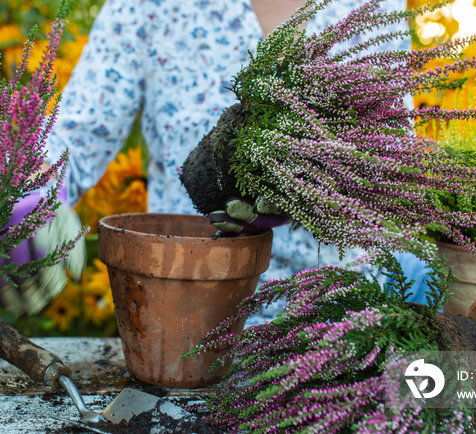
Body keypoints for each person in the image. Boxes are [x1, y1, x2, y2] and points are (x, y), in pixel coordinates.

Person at [43, 0, 431, 324]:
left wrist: (313, 187)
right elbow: (75, 136)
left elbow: (392, 158)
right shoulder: (149, 7)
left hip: (339, 319)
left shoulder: (369, 7)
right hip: (188, 315)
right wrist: (33, 199)